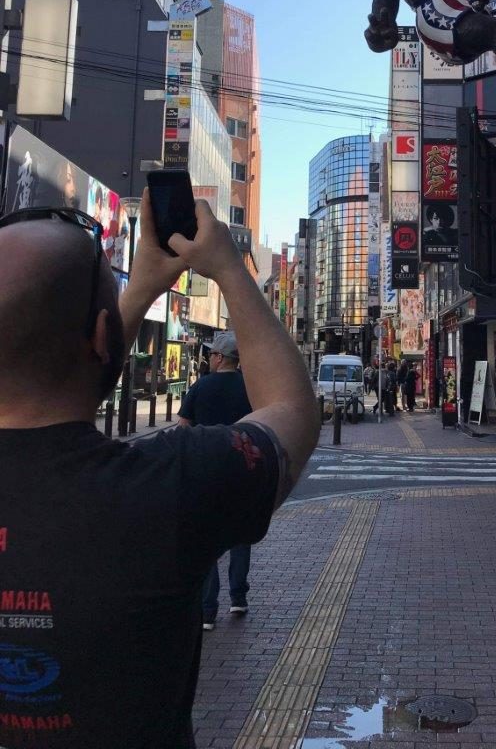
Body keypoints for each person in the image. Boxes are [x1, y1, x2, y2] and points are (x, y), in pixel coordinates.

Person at [0, 193, 319, 749]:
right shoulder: (168, 485)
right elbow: (293, 409)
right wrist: (226, 269)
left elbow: (72, 376)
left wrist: (136, 288)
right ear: (103, 340)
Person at [178, 331, 254, 630]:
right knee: (240, 536)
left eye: (211, 354)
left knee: (206, 537)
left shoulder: (200, 387)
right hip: (241, 469)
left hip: (204, 470)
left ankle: (208, 610)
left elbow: (183, 428)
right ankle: (239, 597)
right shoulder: (250, 388)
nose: (209, 358)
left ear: (220, 357)